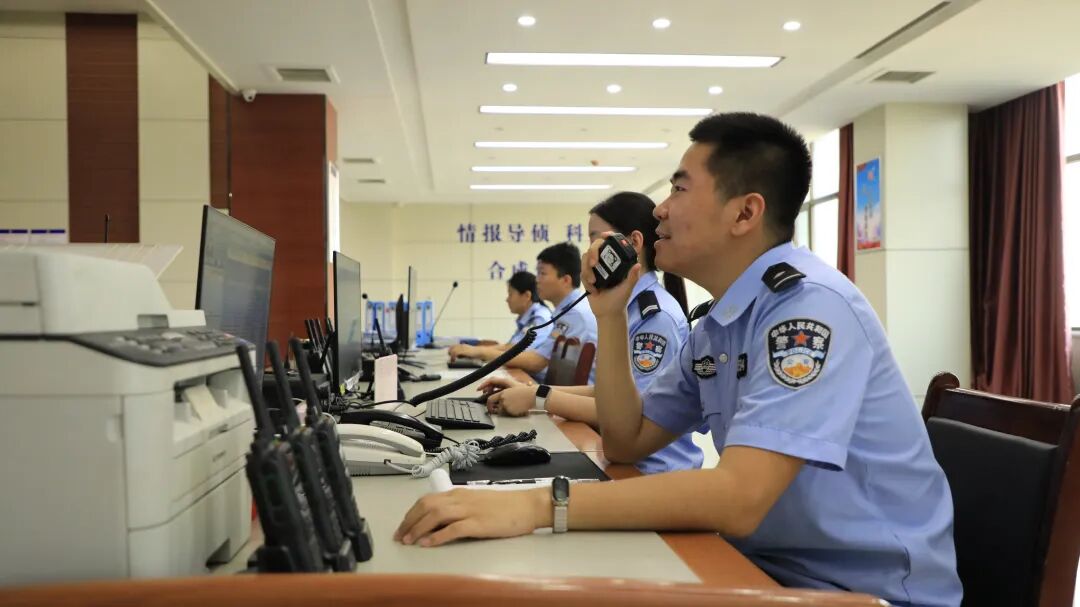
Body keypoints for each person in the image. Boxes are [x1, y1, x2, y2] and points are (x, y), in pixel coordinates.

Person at [394, 112, 961, 607]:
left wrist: (539, 506)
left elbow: (739, 498)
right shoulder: (716, 325)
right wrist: (610, 316)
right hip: (764, 568)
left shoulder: (810, 311)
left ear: (744, 213)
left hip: (863, 591)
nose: (660, 210)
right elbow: (627, 440)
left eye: (680, 189)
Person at [479, 191, 703, 475]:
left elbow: (630, 414)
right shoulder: (623, 307)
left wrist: (539, 397)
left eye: (597, 239)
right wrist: (529, 391)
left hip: (652, 472)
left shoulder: (655, 317)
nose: (589, 252)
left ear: (632, 244)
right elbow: (609, 393)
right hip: (624, 460)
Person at [491, 242, 598, 382]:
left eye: (542, 273)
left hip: (578, 393)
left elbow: (537, 362)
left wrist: (479, 353)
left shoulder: (576, 314)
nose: (537, 280)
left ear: (565, 280)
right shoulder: (568, 310)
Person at [448, 271, 552, 363]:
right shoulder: (528, 317)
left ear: (527, 296)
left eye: (510, 294)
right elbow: (509, 347)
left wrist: (479, 352)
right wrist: (474, 351)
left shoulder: (540, 318)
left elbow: (516, 352)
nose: (507, 299)